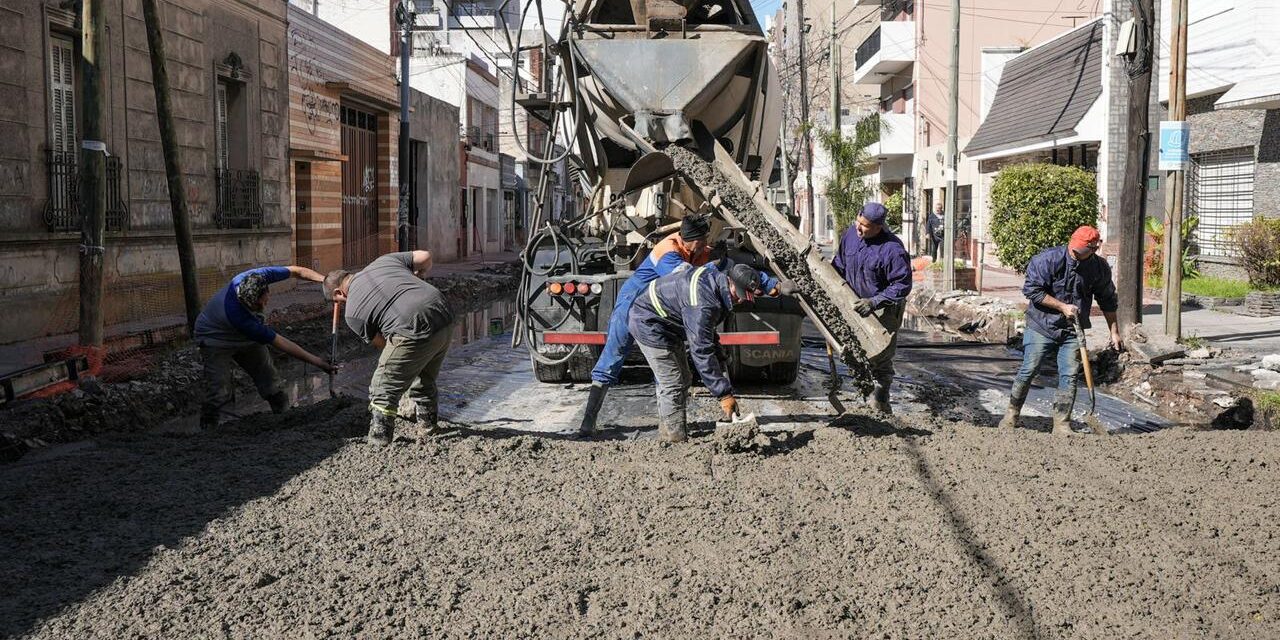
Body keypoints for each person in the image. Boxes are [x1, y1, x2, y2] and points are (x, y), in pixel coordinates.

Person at [578, 215, 714, 435]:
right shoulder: (667, 251)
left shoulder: (696, 249)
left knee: (667, 369)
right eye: (703, 240)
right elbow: (687, 279)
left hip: (656, 310)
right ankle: (588, 422)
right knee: (612, 359)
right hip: (631, 304)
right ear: (693, 239)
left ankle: (667, 426)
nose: (705, 245)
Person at [628, 262, 792, 443]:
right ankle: (673, 439)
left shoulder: (717, 282)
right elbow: (701, 350)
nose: (741, 300)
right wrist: (724, 395)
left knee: (685, 378)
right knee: (672, 382)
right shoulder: (703, 304)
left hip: (669, 323)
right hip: (648, 323)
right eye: (739, 295)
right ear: (730, 283)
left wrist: (721, 357)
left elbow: (707, 333)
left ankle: (670, 428)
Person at [998, 226, 1123, 435]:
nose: (1074, 253)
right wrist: (1062, 307)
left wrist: (1114, 331)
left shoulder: (1099, 268)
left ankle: (1062, 423)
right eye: (1074, 249)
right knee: (1030, 368)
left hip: (1073, 330)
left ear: (1094, 249)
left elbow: (1107, 299)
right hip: (1042, 326)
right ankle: (1011, 413)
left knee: (1070, 375)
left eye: (1081, 252)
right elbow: (1032, 291)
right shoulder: (1047, 260)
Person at [324, 251, 455, 446]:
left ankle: (380, 441)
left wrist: (399, 367)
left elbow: (384, 344)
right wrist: (420, 275)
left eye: (338, 302)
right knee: (423, 377)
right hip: (443, 312)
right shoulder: (384, 261)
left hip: (412, 325)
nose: (342, 305)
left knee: (382, 386)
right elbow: (425, 256)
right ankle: (429, 428)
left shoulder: (352, 314)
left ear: (338, 293)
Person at [195, 265, 335, 429]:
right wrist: (318, 362)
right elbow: (282, 343)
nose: (263, 307)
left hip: (243, 336)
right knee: (218, 389)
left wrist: (327, 282)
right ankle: (208, 430)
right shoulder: (239, 317)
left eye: (264, 301)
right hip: (214, 338)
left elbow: (297, 271)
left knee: (270, 380)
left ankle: (285, 418)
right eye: (257, 306)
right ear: (246, 302)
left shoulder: (258, 276)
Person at [832, 202, 913, 414]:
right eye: (858, 222)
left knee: (880, 355)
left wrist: (874, 302)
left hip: (883, 308)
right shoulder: (851, 235)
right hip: (855, 302)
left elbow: (902, 285)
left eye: (865, 226)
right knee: (856, 350)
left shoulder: (892, 250)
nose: (859, 228)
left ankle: (881, 402)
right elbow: (839, 264)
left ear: (878, 227)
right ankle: (866, 394)